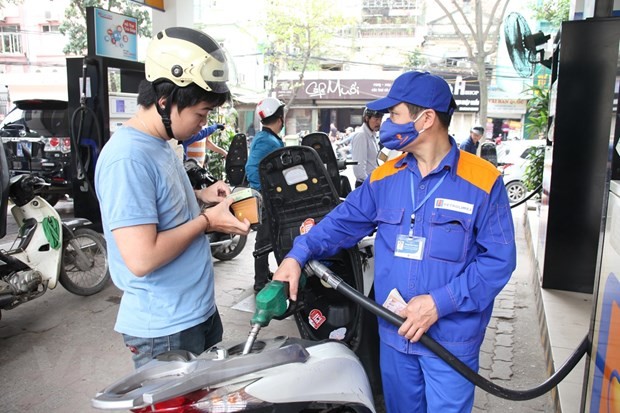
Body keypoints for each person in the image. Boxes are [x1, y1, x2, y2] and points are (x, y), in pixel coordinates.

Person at [272, 70, 516, 413]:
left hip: (450, 340)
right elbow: (342, 223)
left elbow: (498, 262)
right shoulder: (385, 177)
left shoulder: (484, 182)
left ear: (425, 119)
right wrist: (298, 255)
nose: (387, 121)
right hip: (395, 334)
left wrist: (439, 303)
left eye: (395, 114)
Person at [94, 27, 251, 369]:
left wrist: (201, 195)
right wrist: (208, 221)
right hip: (165, 328)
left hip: (195, 311)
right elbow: (142, 257)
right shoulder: (128, 158)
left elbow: (156, 203)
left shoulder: (159, 144)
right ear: (165, 101)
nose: (203, 123)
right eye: (200, 114)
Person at [245, 97, 286, 292]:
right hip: (267, 199)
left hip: (271, 197)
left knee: (270, 236)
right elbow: (251, 168)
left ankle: (265, 272)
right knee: (264, 238)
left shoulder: (268, 138)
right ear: (279, 117)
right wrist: (263, 193)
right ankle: (260, 281)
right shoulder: (266, 141)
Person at [350, 107, 383, 187]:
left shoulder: (373, 135)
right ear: (367, 118)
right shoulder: (361, 135)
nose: (378, 122)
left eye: (380, 119)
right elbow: (359, 168)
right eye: (375, 119)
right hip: (366, 184)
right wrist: (370, 183)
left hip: (373, 182)